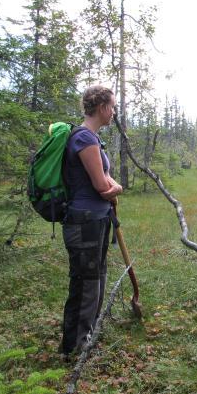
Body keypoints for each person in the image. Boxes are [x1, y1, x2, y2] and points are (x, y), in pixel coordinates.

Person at [60, 85, 123, 357]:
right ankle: (74, 346)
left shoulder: (92, 139)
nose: (114, 111)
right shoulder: (85, 139)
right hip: (84, 221)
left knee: (95, 277)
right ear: (102, 108)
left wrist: (112, 187)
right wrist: (117, 189)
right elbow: (102, 185)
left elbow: (105, 180)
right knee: (85, 281)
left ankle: (86, 335)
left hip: (95, 220)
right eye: (113, 106)